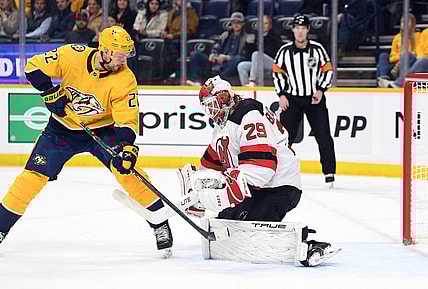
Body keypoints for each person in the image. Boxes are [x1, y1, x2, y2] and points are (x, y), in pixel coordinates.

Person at [0, 26, 173, 258]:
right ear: (105, 51)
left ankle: (159, 222)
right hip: (61, 130)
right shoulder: (72, 55)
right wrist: (49, 91)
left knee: (128, 172)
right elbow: (33, 66)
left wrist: (127, 149)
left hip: (104, 131)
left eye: (126, 54)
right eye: (120, 54)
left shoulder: (125, 79)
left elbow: (126, 119)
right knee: (32, 176)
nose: (124, 60)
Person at [176, 75, 339, 266]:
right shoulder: (222, 127)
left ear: (224, 98)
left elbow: (262, 165)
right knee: (224, 224)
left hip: (279, 186)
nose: (211, 111)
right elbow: (212, 162)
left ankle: (307, 246)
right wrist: (197, 189)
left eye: (212, 104)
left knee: (246, 233)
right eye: (206, 107)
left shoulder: (248, 111)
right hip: (255, 188)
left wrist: (231, 190)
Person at [272, 14, 335, 185]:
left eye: (303, 28)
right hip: (292, 99)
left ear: (308, 30)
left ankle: (329, 172)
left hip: (314, 99)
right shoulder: (284, 51)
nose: (300, 32)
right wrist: (282, 94)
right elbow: (277, 72)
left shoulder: (317, 49)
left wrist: (321, 90)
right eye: (297, 28)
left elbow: (328, 69)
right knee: (285, 138)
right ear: (292, 29)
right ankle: (279, 172)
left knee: (323, 135)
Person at [186, 11, 247, 86]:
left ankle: (218, 81)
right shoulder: (225, 35)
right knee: (194, 54)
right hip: (217, 63)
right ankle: (197, 82)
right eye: (234, 22)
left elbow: (243, 56)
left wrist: (227, 58)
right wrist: (214, 55)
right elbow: (216, 48)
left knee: (238, 59)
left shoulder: (245, 37)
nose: (236, 24)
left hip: (230, 65)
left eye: (238, 22)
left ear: (242, 23)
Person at [377, 13, 425, 88]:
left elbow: (416, 53)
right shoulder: (397, 37)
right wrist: (399, 57)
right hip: (397, 63)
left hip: (410, 61)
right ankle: (384, 77)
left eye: (407, 22)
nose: (404, 24)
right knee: (383, 56)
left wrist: (404, 54)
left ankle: (393, 82)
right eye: (402, 22)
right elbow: (391, 57)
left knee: (407, 55)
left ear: (413, 23)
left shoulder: (418, 35)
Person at [237, 15, 282, 87]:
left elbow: (276, 54)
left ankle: (252, 81)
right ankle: (246, 88)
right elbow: (248, 56)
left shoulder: (274, 37)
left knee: (256, 54)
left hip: (273, 64)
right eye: (261, 23)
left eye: (266, 23)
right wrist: (249, 44)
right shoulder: (256, 36)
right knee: (242, 66)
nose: (263, 25)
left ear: (270, 25)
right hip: (258, 64)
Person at [161, 0, 199, 81]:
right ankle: (161, 74)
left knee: (173, 45)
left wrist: (174, 35)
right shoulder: (173, 12)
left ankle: (173, 71)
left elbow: (190, 29)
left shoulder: (191, 13)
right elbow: (168, 26)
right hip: (170, 38)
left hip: (183, 39)